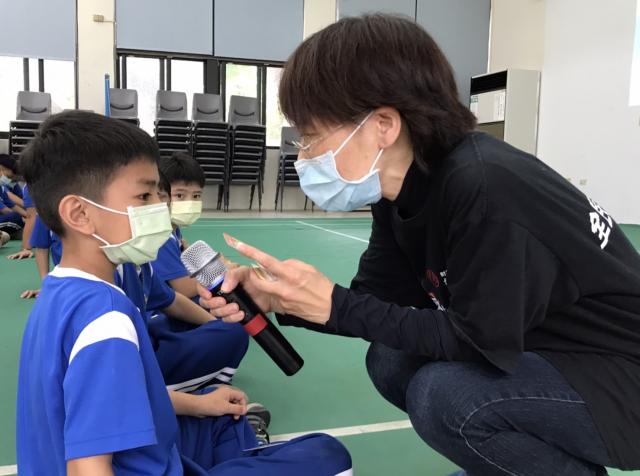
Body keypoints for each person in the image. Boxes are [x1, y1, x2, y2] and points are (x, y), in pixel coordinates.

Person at [200, 14, 640, 476]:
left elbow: (479, 340)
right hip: (553, 354)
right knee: (391, 359)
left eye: (310, 136)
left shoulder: (485, 187)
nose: (303, 155)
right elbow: (373, 300)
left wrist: (334, 304)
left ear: (383, 125)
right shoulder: (401, 192)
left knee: (445, 398)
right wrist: (279, 298)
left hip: (618, 375)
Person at [16, 110, 352, 475]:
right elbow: (87, 467)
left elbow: (122, 396)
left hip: (146, 449)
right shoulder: (106, 319)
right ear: (80, 214)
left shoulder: (59, 293)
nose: (159, 207)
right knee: (329, 457)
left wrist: (201, 404)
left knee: (222, 417)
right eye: (144, 195)